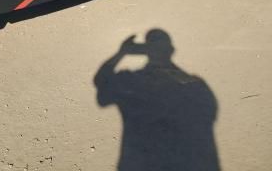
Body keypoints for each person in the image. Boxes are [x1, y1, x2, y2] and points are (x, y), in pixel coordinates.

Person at [94, 29, 220, 171]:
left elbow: (102, 83)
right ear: (171, 50)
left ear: (146, 50)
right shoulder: (194, 85)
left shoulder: (132, 80)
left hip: (139, 163)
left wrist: (121, 53)